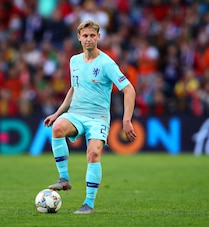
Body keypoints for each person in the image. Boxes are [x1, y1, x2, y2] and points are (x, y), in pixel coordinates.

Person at [43, 20, 137, 214]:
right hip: (76, 113)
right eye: (85, 36)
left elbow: (129, 89)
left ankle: (89, 204)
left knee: (93, 154)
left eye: (92, 35)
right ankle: (64, 179)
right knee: (58, 127)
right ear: (79, 37)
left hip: (98, 118)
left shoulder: (106, 63)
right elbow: (74, 89)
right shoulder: (74, 61)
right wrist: (57, 113)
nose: (88, 39)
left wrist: (126, 120)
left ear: (98, 37)